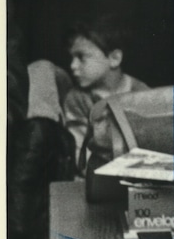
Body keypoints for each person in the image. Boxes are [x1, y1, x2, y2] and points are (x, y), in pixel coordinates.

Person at [61, 16, 149, 162]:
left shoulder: (143, 94)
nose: (73, 66)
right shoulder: (77, 98)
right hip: (94, 176)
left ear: (114, 58)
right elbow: (80, 156)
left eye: (81, 57)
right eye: (72, 58)